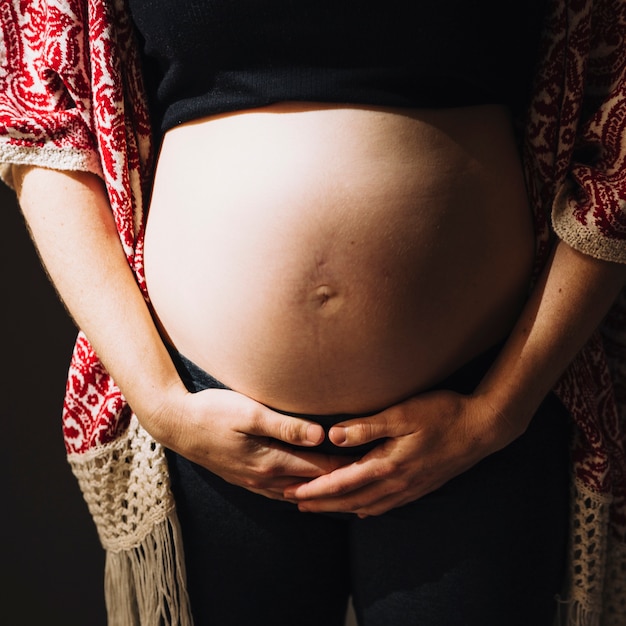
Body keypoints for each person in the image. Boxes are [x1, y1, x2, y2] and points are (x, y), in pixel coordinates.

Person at [1, 1, 625, 625]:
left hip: (480, 407)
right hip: (204, 418)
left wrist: (497, 412)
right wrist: (161, 403)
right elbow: (42, 119)